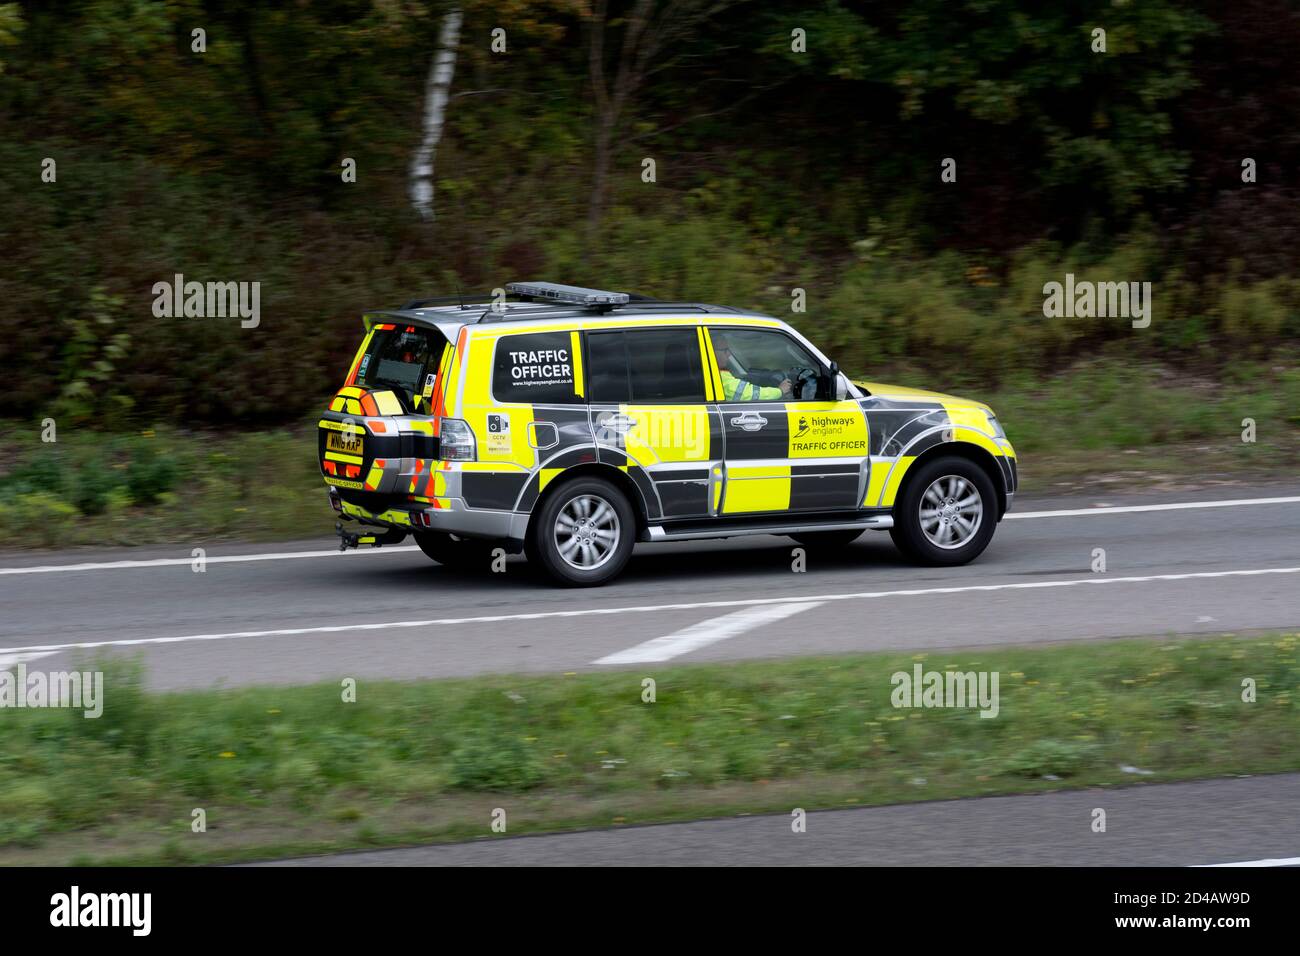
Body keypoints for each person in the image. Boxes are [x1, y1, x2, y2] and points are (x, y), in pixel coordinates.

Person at [713, 334, 792, 401]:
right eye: (725, 350)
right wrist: (780, 391)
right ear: (711, 352)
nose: (729, 354)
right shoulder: (715, 377)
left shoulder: (711, 373)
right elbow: (746, 393)